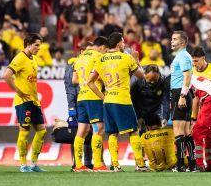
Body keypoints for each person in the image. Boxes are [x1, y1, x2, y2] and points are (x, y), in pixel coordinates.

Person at [87, 32, 147, 172]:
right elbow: (142, 76)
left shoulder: (101, 60)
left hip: (108, 100)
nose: (124, 44)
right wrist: (136, 60)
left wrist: (103, 97)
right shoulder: (126, 58)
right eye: (123, 42)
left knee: (112, 133)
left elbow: (89, 82)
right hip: (123, 100)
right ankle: (140, 164)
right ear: (119, 43)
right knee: (133, 131)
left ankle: (115, 165)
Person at [3, 34, 46, 172]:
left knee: (42, 131)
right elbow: (6, 75)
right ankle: (23, 164)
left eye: (39, 45)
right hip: (23, 102)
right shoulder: (20, 58)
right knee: (25, 132)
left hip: (34, 101)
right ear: (28, 44)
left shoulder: (33, 59)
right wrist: (18, 91)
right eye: (36, 45)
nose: (39, 48)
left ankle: (33, 164)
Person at [71, 36, 109, 172]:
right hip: (94, 96)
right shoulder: (99, 56)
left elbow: (73, 79)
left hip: (81, 97)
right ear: (103, 47)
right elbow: (102, 76)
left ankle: (78, 165)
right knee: (99, 129)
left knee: (82, 131)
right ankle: (98, 164)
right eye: (106, 50)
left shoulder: (79, 58)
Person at [169, 31, 197, 172]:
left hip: (180, 93)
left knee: (178, 131)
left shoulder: (183, 56)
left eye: (175, 39)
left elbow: (187, 76)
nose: (171, 41)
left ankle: (180, 165)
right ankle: (192, 164)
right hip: (182, 93)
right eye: (172, 39)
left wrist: (181, 95)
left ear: (183, 42)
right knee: (186, 132)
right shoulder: (182, 56)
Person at [64, 43, 92, 171]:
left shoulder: (94, 62)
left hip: (92, 101)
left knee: (93, 133)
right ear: (81, 51)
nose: (91, 53)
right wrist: (71, 110)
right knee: (79, 133)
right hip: (79, 103)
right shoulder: (73, 66)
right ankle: (77, 162)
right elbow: (70, 89)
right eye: (88, 50)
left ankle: (89, 162)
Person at [131, 64, 170, 131]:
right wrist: (138, 116)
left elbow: (166, 101)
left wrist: (165, 117)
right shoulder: (136, 81)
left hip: (156, 110)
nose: (152, 82)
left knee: (157, 133)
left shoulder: (163, 81)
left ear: (159, 75)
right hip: (141, 109)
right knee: (140, 133)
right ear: (144, 74)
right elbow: (133, 101)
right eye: (150, 80)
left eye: (155, 80)